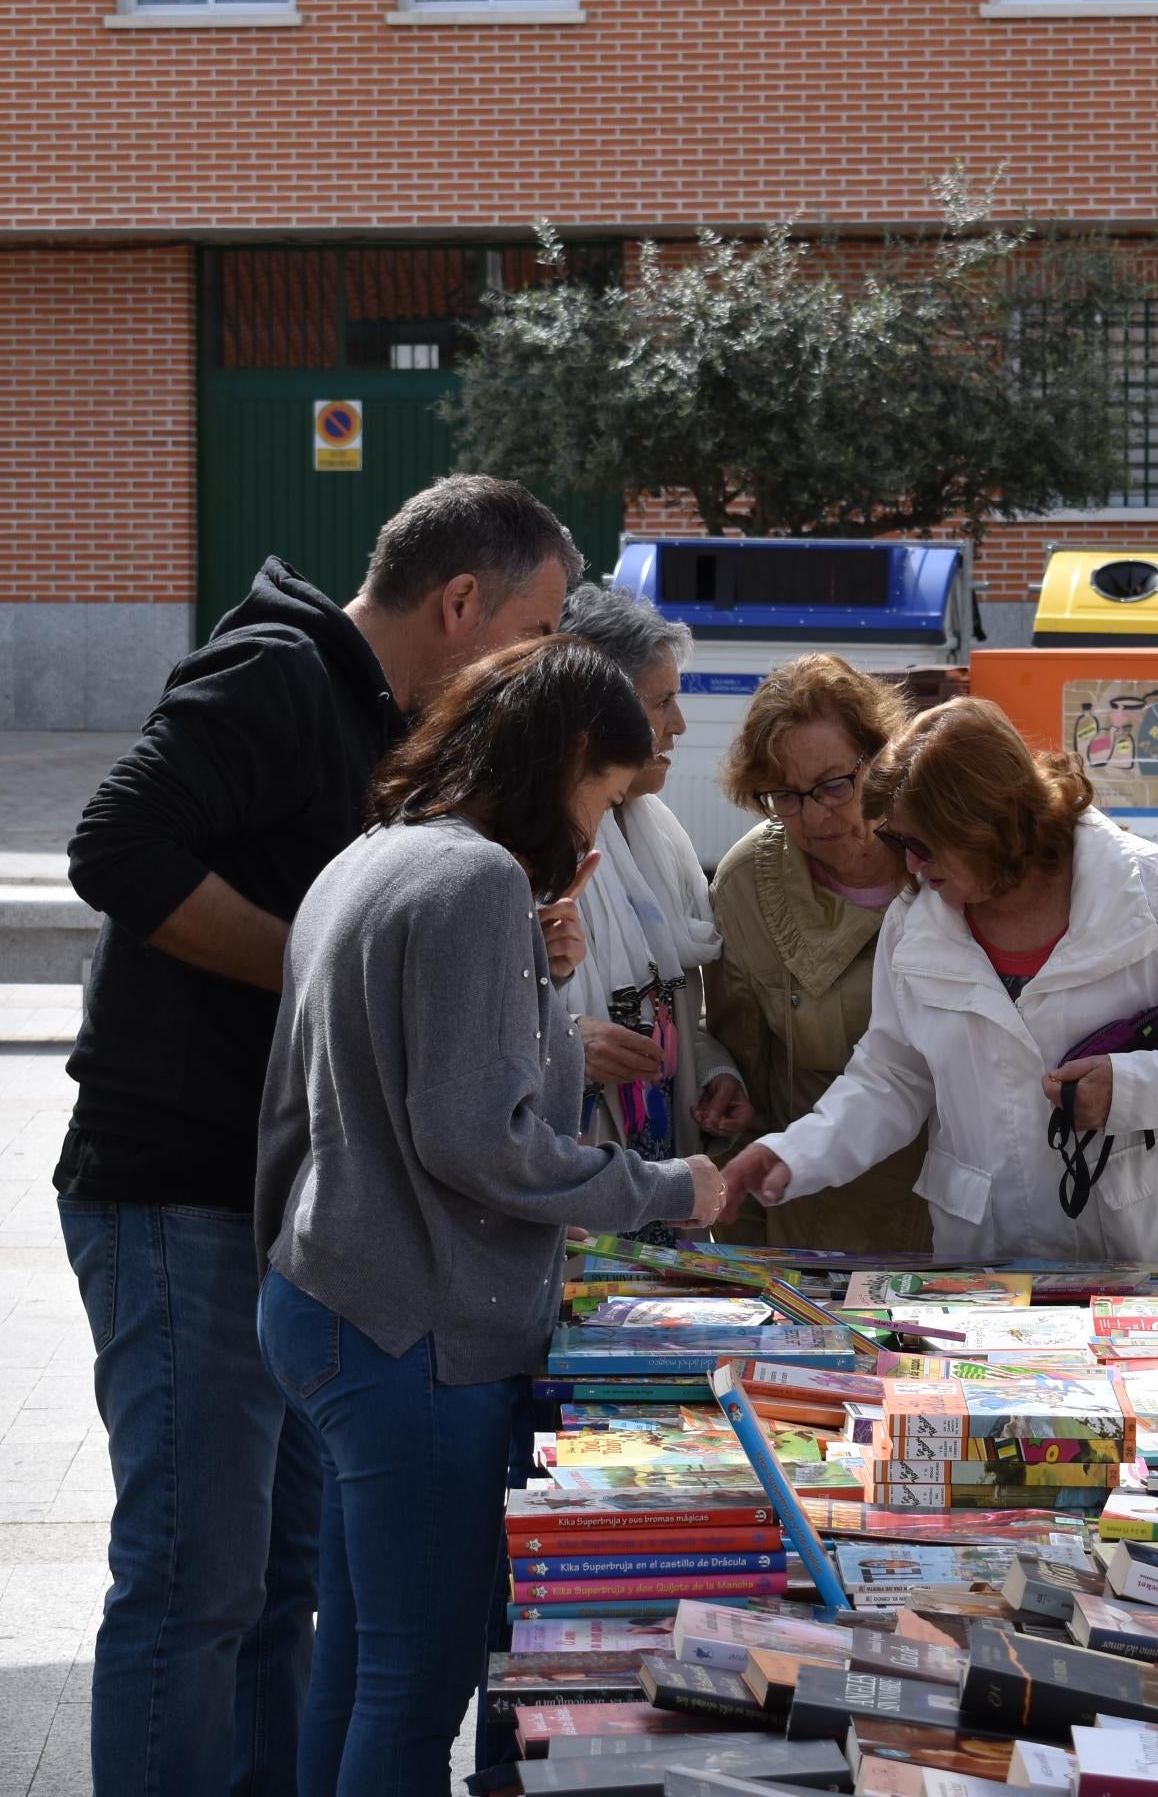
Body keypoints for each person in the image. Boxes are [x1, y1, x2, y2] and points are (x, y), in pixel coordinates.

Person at [56, 474, 575, 1797]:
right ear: (461, 604)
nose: (542, 666)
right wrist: (319, 969)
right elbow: (117, 844)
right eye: (536, 630)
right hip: (181, 1198)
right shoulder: (279, 673)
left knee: (283, 1580)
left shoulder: (386, 722)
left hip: (287, 1216)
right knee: (194, 1582)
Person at [255, 634, 722, 1793]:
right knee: (413, 1688)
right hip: (414, 1327)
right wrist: (665, 1189)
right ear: (563, 756)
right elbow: (478, 1138)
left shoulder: (381, 851)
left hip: (331, 1296)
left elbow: (418, 1088)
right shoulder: (473, 879)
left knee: (359, 1664)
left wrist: (546, 982)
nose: (598, 834)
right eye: (604, 794)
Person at [719, 699, 1158, 1281]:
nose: (910, 866)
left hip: (1143, 1244)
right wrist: (793, 1154)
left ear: (986, 822)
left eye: (922, 844)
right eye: (898, 845)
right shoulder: (915, 921)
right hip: (989, 1261)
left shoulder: (1151, 890)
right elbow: (891, 1076)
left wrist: (1132, 1088)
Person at [702, 655, 933, 1250]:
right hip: (814, 1227)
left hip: (963, 1223)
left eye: (835, 785)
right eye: (786, 795)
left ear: (881, 757)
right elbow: (743, 1083)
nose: (814, 816)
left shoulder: (945, 849)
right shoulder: (749, 884)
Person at [555, 584, 750, 1208]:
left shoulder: (656, 834)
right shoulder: (529, 849)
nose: (680, 723)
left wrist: (713, 1070)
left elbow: (662, 1001)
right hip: (575, 1188)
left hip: (658, 1178)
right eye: (661, 701)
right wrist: (566, 1045)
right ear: (596, 711)